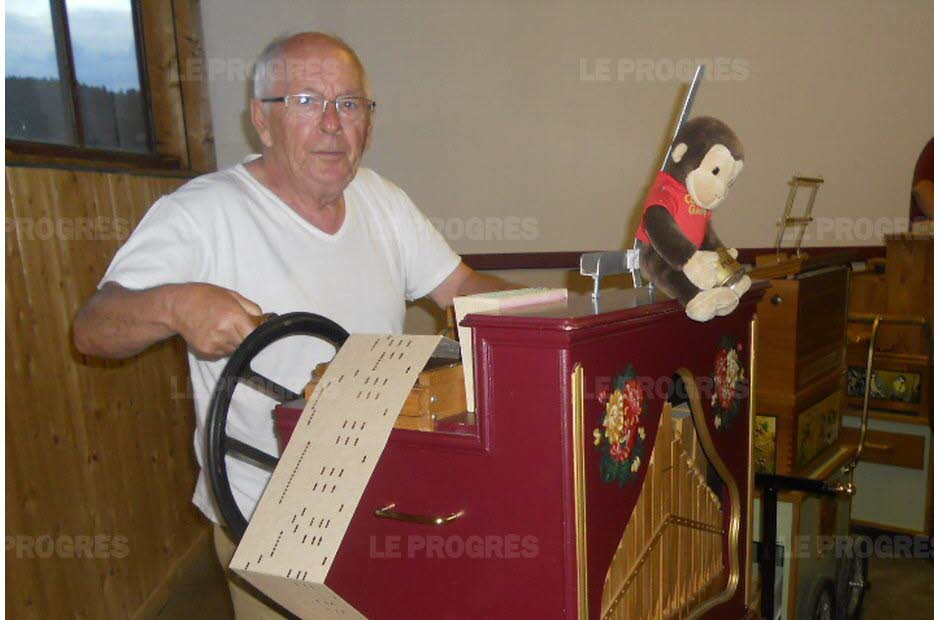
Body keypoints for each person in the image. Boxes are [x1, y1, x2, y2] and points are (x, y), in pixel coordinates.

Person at [73, 32, 510, 618]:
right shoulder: (202, 214)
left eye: (350, 104)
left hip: (382, 501)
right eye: (306, 101)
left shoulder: (383, 202)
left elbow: (462, 292)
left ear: (368, 124)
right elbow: (93, 327)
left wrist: (566, 311)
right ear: (262, 119)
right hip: (268, 521)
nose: (333, 123)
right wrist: (176, 304)